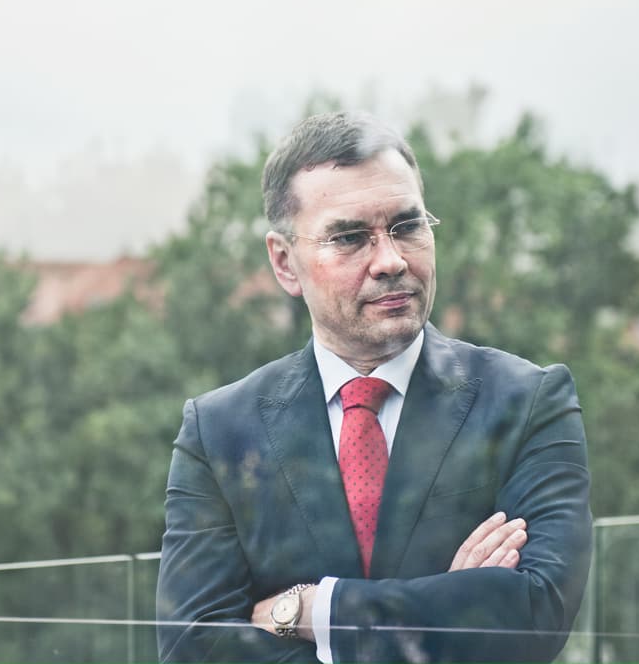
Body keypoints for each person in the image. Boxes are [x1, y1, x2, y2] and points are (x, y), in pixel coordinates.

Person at [155, 112, 592, 663]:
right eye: (350, 237)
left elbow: (534, 612)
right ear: (285, 263)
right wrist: (451, 605)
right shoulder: (218, 431)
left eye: (407, 226)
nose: (390, 260)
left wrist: (314, 611)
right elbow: (193, 648)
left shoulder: (528, 402)